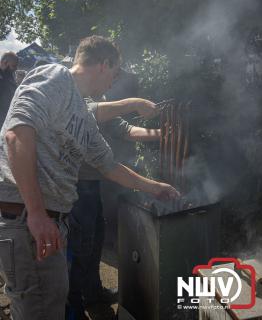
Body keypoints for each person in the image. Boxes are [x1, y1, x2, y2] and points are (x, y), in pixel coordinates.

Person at [0, 35, 179, 320]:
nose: (113, 82)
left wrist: (155, 187)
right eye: (115, 73)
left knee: (50, 306)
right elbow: (16, 132)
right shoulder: (55, 76)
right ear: (104, 64)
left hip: (50, 222)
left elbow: (109, 166)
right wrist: (35, 212)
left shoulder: (83, 113)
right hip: (28, 220)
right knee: (39, 310)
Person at [68, 110, 161, 319]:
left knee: (95, 241)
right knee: (80, 248)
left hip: (92, 184)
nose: (113, 80)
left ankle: (93, 293)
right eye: (112, 75)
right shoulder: (77, 94)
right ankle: (73, 308)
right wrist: (135, 103)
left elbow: (126, 130)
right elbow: (91, 109)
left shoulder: (100, 96)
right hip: (75, 185)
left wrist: (161, 133)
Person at [0, 51, 18, 129]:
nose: (15, 69)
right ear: (5, 62)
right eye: (14, 66)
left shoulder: (10, 76)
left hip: (7, 118)